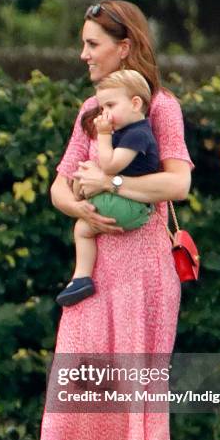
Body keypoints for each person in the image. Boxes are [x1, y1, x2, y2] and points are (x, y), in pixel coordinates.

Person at [40, 0, 194, 440]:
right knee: (77, 380)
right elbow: (60, 186)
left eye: (92, 44)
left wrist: (114, 186)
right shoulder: (91, 108)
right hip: (96, 270)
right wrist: (82, 205)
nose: (82, 54)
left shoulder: (163, 108)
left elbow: (176, 184)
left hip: (146, 273)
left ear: (123, 46)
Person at [55, 69, 159, 306]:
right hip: (128, 202)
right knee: (85, 174)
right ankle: (81, 278)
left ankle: (81, 278)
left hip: (131, 206)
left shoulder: (138, 134)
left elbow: (110, 166)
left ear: (135, 103)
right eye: (102, 109)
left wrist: (103, 135)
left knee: (82, 228)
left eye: (110, 106)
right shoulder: (128, 132)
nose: (106, 114)